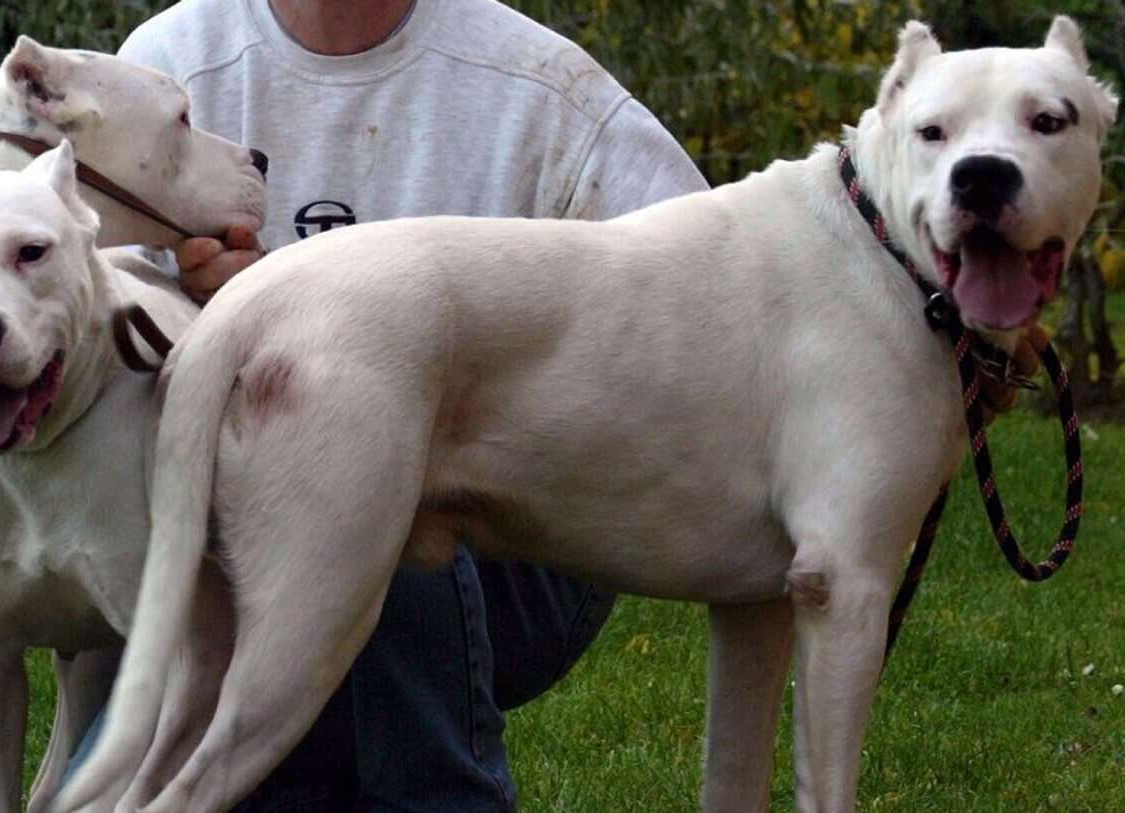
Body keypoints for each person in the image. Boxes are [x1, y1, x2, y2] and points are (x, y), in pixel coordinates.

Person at [94, 1, 707, 810]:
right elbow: (92, 315)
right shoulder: (172, 65)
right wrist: (204, 311)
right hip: (223, 525)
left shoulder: (538, 88)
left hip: (521, 549)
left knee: (360, 465)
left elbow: (702, 300)